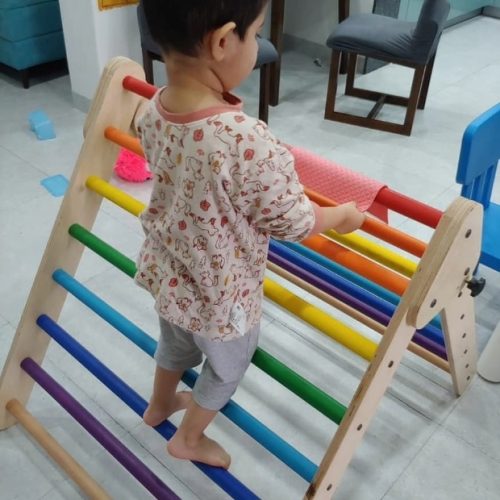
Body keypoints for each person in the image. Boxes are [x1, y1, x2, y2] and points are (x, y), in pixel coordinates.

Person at [135, 0, 365, 470]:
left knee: (175, 346)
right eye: (256, 32)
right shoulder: (242, 137)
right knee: (226, 368)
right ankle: (189, 439)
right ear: (222, 42)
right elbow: (292, 221)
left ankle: (158, 405)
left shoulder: (153, 107)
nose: (259, 44)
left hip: (172, 277)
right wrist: (339, 216)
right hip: (223, 295)